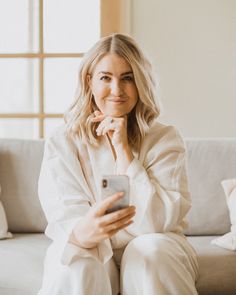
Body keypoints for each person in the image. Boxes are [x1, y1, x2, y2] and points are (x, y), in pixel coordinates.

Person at [38, 33, 199, 295]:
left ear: (140, 82)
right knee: (79, 262)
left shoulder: (164, 138)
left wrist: (124, 151)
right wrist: (83, 232)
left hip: (158, 244)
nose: (117, 90)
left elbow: (157, 222)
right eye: (105, 78)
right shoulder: (63, 141)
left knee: (148, 252)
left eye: (128, 78)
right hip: (88, 241)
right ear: (89, 81)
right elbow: (66, 215)